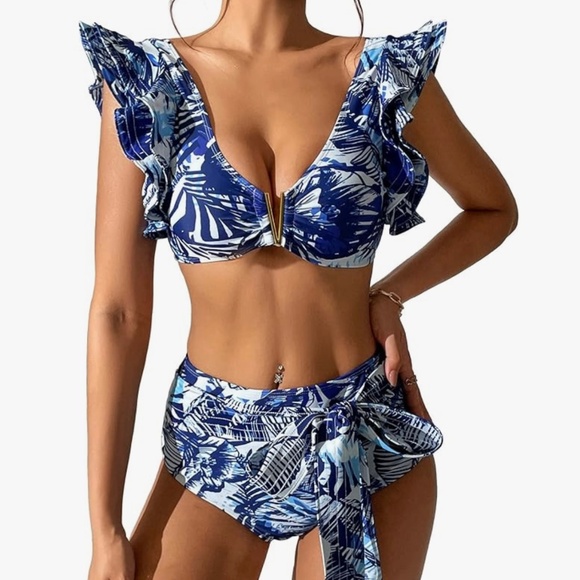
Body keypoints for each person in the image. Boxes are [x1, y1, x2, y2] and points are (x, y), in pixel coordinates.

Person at [79, 1, 517, 579]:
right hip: (214, 441)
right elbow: (118, 313)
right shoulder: (148, 85)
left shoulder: (381, 74)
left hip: (361, 433)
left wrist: (390, 295)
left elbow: (492, 209)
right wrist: (104, 528)